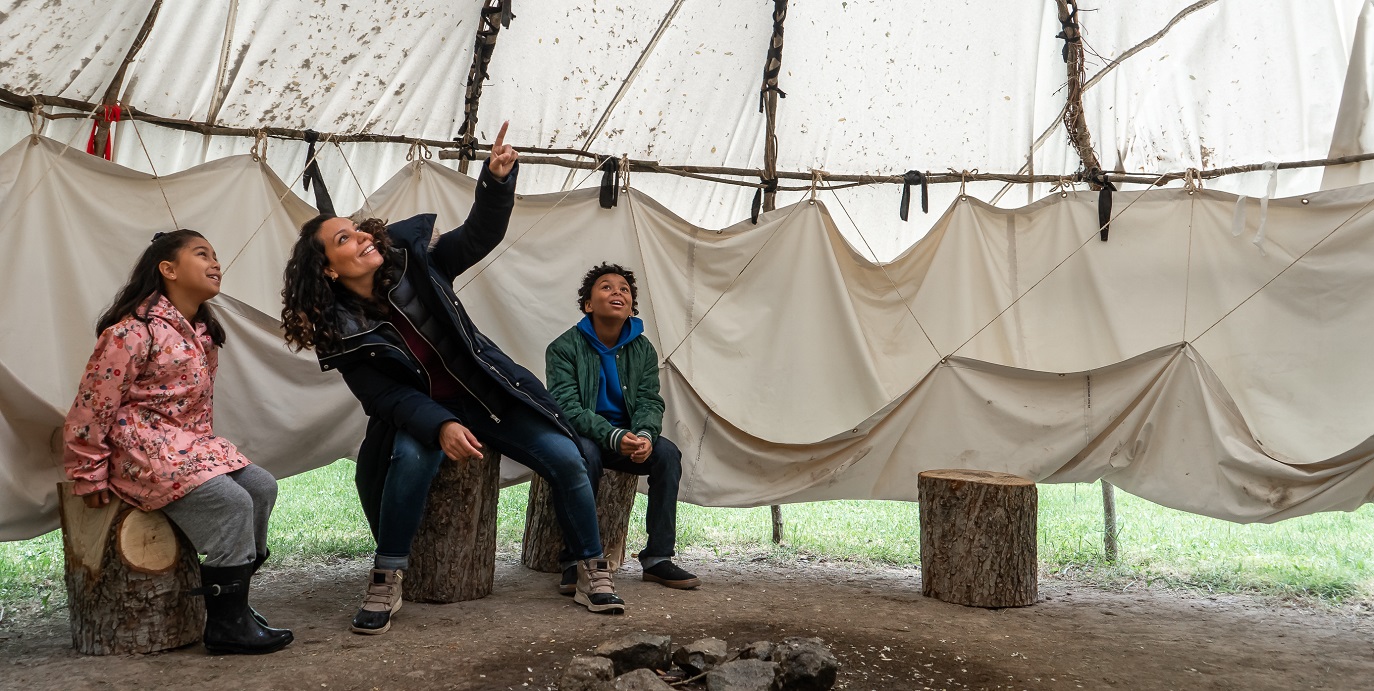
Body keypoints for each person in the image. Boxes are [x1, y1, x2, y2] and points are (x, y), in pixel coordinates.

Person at [279, 121, 624, 635]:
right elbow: (384, 397)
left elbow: (478, 234)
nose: (363, 237)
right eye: (344, 238)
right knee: (410, 458)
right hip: (425, 415)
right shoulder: (339, 331)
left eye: (357, 228)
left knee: (567, 459)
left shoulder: (419, 263)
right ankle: (387, 576)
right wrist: (439, 424)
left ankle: (590, 569)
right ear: (328, 268)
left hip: (491, 396)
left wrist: (497, 180)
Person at [63, 230, 292, 655]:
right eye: (202, 254)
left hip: (186, 444)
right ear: (167, 270)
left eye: (216, 255)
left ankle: (231, 605)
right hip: (139, 449)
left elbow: (196, 411)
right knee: (231, 502)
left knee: (261, 486)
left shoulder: (202, 333)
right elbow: (91, 407)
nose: (215, 262)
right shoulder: (131, 332)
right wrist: (88, 472)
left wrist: (206, 457)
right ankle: (227, 629)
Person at [545, 263, 700, 593]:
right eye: (606, 287)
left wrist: (644, 435)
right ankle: (576, 560)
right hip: (586, 437)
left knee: (667, 454)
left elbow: (649, 401)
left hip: (627, 438)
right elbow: (567, 408)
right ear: (588, 304)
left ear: (631, 306)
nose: (617, 292)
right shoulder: (563, 348)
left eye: (624, 289)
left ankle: (657, 559)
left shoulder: (642, 349)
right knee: (584, 456)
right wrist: (612, 436)